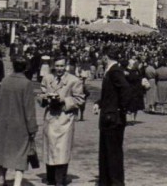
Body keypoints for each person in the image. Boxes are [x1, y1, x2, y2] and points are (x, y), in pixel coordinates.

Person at [39, 58, 85, 186]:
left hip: (65, 118)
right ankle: (50, 178)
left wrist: (63, 100)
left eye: (62, 66)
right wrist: (45, 99)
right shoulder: (47, 78)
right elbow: (41, 94)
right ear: (53, 66)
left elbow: (80, 100)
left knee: (62, 149)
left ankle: (60, 180)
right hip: (50, 117)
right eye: (57, 66)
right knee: (50, 148)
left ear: (66, 66)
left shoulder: (74, 80)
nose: (59, 69)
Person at [0, 58, 38, 186]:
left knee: (3, 152)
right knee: (21, 154)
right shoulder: (27, 84)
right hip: (20, 125)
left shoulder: (5, 81)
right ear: (26, 68)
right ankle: (17, 183)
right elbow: (29, 109)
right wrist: (32, 128)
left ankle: (2, 179)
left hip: (3, 123)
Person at [94, 46, 131, 186]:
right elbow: (111, 94)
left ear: (105, 57)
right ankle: (106, 181)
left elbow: (125, 90)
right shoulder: (112, 70)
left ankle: (115, 183)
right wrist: (100, 103)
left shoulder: (115, 71)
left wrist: (119, 109)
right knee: (106, 152)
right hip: (109, 116)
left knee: (113, 153)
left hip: (113, 119)